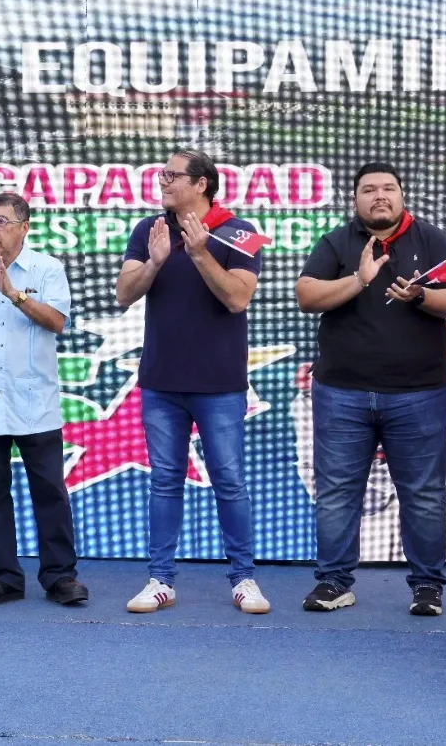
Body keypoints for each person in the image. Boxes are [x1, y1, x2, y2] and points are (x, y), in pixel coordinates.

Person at [294, 162, 446, 615]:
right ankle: (334, 582)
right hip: (342, 392)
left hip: (418, 393)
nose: (379, 196)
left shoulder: (430, 240)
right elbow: (307, 296)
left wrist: (421, 296)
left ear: (401, 195)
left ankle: (427, 586)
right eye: (368, 189)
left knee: (424, 492)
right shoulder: (337, 241)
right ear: (355, 199)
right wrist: (359, 279)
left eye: (388, 188)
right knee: (336, 490)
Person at [114, 149, 270, 615]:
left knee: (229, 479)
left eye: (172, 175)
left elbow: (238, 298)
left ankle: (243, 578)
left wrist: (200, 254)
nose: (162, 182)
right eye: (161, 174)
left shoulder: (240, 232)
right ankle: (161, 579)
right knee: (164, 480)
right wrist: (156, 261)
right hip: (162, 380)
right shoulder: (149, 230)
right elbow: (124, 294)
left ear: (202, 184)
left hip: (219, 383)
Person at [0, 193, 88, 608]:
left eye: (2, 221)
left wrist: (13, 293)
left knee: (49, 492)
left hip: (34, 402)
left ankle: (60, 576)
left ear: (24, 227)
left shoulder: (47, 268)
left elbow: (58, 322)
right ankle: (4, 577)